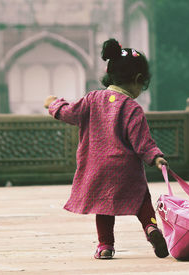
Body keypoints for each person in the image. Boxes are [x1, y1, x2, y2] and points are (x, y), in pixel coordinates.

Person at [44, 38, 169, 260]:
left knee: (103, 206)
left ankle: (105, 246)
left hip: (96, 169)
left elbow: (69, 113)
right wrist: (156, 157)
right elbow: (142, 143)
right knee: (142, 200)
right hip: (125, 169)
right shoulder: (132, 108)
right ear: (138, 80)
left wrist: (54, 104)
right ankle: (151, 229)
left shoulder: (92, 99)